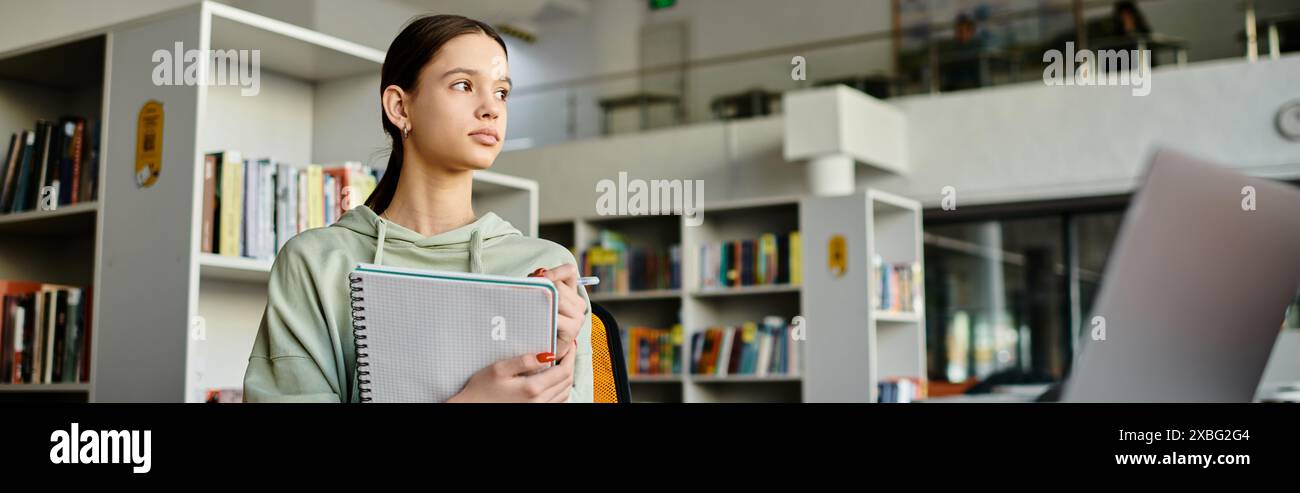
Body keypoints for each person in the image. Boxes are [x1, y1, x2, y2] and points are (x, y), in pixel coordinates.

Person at [243, 15, 593, 403]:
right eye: (463, 85)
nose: (491, 109)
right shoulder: (316, 263)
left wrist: (561, 352)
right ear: (399, 107)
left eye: (502, 92)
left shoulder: (546, 270)